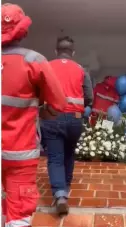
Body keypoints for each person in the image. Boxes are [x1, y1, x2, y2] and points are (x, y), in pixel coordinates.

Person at [1, 4, 67, 227]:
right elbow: (59, 105)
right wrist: (38, 110)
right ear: (22, 29)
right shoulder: (34, 60)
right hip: (21, 157)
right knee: (18, 220)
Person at [41, 36, 94, 216]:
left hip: (52, 117)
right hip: (75, 118)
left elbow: (39, 92)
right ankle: (67, 184)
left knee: (55, 157)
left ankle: (60, 195)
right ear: (73, 53)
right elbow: (89, 98)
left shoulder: (46, 66)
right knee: (69, 153)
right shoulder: (81, 70)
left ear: (56, 51)